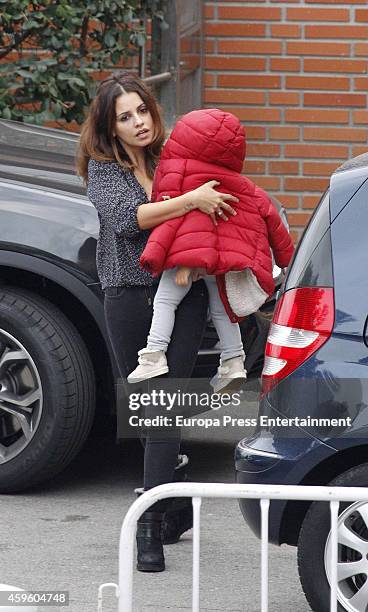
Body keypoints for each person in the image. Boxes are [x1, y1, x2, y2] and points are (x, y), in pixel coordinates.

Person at [76, 71, 239, 573]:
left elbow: (221, 196)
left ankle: (149, 526)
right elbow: (130, 219)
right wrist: (191, 201)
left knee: (163, 407)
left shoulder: (174, 153)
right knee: (150, 407)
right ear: (110, 128)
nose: (138, 122)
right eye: (125, 117)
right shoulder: (103, 169)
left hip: (183, 293)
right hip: (128, 294)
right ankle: (172, 502)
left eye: (142, 110)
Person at [127, 108, 294, 393]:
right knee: (223, 310)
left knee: (166, 301)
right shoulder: (245, 187)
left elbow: (180, 222)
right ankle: (233, 361)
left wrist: (177, 262)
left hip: (189, 259)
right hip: (224, 264)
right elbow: (274, 223)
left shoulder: (182, 176)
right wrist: (288, 261)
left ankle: (154, 354)